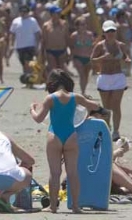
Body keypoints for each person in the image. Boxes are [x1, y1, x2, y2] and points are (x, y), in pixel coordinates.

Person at [30, 69, 106, 213]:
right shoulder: (75, 97)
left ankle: (52, 206)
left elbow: (38, 118)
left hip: (54, 135)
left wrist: (32, 109)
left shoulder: (50, 98)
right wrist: (94, 105)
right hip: (71, 136)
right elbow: (95, 106)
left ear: (52, 83)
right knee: (72, 172)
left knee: (55, 173)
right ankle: (76, 206)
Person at [91, 20, 131, 141]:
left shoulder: (121, 45)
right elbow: (92, 60)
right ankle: (107, 128)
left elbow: (126, 56)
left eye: (112, 31)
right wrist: (104, 57)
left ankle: (116, 131)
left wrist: (127, 60)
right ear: (104, 32)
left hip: (118, 76)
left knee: (116, 105)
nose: (111, 33)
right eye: (108, 31)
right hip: (104, 76)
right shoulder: (100, 45)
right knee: (106, 106)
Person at [9, 5, 41, 74]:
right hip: (19, 47)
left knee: (28, 63)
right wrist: (11, 44)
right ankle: (27, 79)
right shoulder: (15, 21)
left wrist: (37, 45)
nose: (23, 13)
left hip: (30, 46)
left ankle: (30, 80)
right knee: (24, 64)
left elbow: (37, 34)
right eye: (22, 12)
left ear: (28, 12)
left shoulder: (33, 21)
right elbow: (12, 34)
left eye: (25, 12)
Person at [70, 16, 94, 96]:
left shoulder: (90, 35)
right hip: (78, 58)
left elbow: (93, 46)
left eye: (85, 24)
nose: (84, 26)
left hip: (88, 58)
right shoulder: (74, 36)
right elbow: (71, 48)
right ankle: (83, 93)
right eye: (82, 24)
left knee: (86, 75)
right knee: (82, 75)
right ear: (77, 26)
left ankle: (83, 90)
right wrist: (71, 59)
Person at [42, 6, 69, 73]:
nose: (59, 14)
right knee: (54, 71)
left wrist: (69, 50)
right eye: (57, 13)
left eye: (59, 12)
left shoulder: (64, 24)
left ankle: (61, 83)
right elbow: (44, 40)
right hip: (50, 51)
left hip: (62, 50)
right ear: (51, 14)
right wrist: (42, 53)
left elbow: (67, 38)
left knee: (62, 70)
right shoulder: (46, 25)